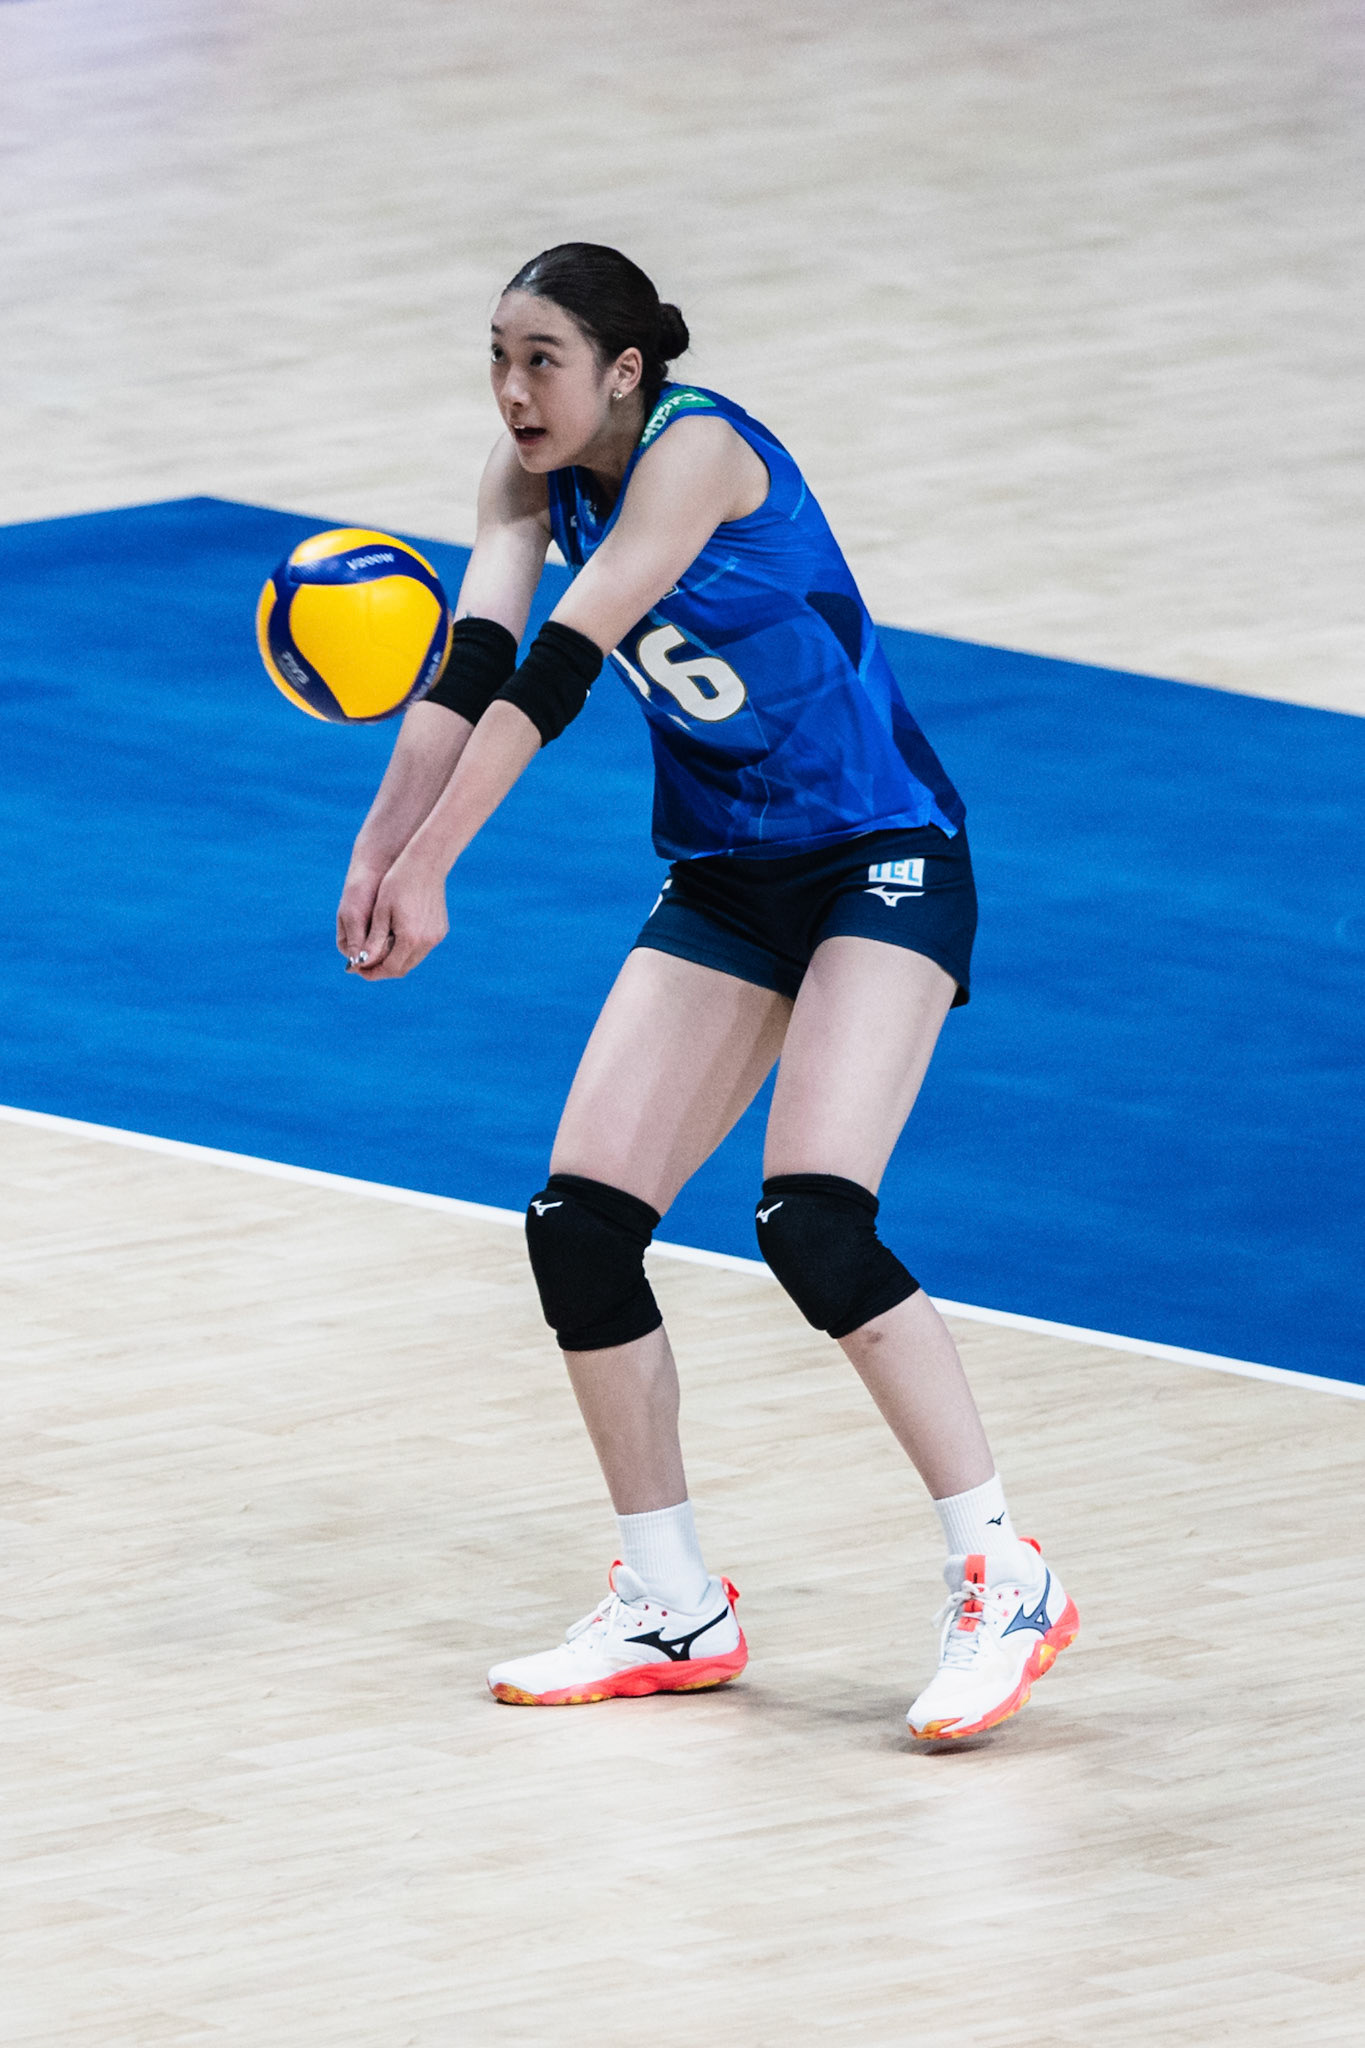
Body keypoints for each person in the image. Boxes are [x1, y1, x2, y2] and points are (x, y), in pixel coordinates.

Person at [336, 242, 1078, 1741]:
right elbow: (466, 668)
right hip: (730, 878)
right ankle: (671, 1602)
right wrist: (375, 851)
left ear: (624, 368)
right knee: (580, 1231)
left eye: (541, 358)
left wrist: (440, 867)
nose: (511, 389)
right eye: (496, 354)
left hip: (882, 858)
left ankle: (1002, 1571)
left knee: (809, 1217)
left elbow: (556, 665)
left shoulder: (700, 453)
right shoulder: (521, 474)